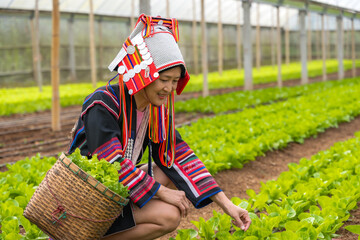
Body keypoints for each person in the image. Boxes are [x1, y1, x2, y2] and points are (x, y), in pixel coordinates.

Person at [68, 14, 251, 240]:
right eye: (164, 79)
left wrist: (228, 205)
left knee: (169, 165)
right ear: (144, 74)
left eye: (175, 81)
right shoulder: (103, 103)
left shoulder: (154, 111)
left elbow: (180, 156)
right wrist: (161, 193)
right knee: (169, 215)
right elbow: (110, 162)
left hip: (116, 189)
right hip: (85, 199)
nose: (169, 88)